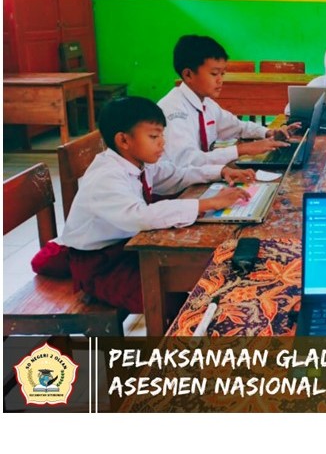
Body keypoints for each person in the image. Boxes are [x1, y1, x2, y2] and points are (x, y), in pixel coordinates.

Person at [30, 97, 252, 314]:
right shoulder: (106, 176)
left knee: (203, 273)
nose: (162, 143)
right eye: (154, 136)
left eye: (162, 135)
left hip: (126, 247)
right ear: (124, 140)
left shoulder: (138, 162)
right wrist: (207, 203)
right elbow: (140, 216)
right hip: (99, 264)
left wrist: (220, 171)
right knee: (172, 299)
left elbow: (176, 175)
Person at [159, 34, 299, 167]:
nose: (220, 80)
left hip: (199, 176)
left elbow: (238, 126)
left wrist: (268, 133)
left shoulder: (207, 104)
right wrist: (242, 149)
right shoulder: (173, 111)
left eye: (222, 73)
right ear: (188, 74)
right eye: (214, 73)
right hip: (181, 183)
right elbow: (187, 162)